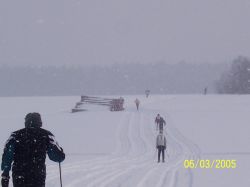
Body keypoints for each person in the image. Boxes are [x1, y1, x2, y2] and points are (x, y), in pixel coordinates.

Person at [1, 112, 65, 187]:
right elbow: (55, 156)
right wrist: (61, 154)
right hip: (37, 175)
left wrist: (5, 174)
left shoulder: (15, 135)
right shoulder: (46, 135)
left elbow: (8, 155)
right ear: (40, 122)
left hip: (19, 174)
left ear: (26, 122)